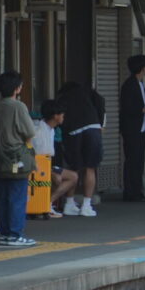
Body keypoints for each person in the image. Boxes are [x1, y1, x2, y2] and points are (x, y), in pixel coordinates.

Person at [0, 71, 37, 246]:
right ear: (17, 88)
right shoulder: (18, 106)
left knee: (2, 197)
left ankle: (4, 233)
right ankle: (16, 234)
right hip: (16, 157)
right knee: (17, 197)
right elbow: (30, 132)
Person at [58, 81, 105, 217]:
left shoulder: (63, 97)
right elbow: (101, 102)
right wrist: (100, 122)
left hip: (73, 131)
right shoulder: (88, 91)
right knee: (90, 168)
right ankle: (86, 205)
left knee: (74, 168)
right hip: (92, 127)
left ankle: (69, 203)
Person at [33, 100, 78, 217]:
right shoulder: (38, 130)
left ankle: (47, 204)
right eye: (62, 114)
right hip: (39, 165)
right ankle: (43, 205)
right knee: (57, 179)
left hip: (48, 164)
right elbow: (39, 153)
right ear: (55, 116)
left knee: (73, 176)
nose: (63, 117)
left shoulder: (51, 129)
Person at [119, 54, 145, 201]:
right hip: (131, 128)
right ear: (142, 68)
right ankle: (129, 192)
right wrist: (144, 110)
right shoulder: (129, 85)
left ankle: (137, 191)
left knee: (139, 160)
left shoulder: (140, 83)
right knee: (132, 160)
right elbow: (126, 108)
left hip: (141, 127)